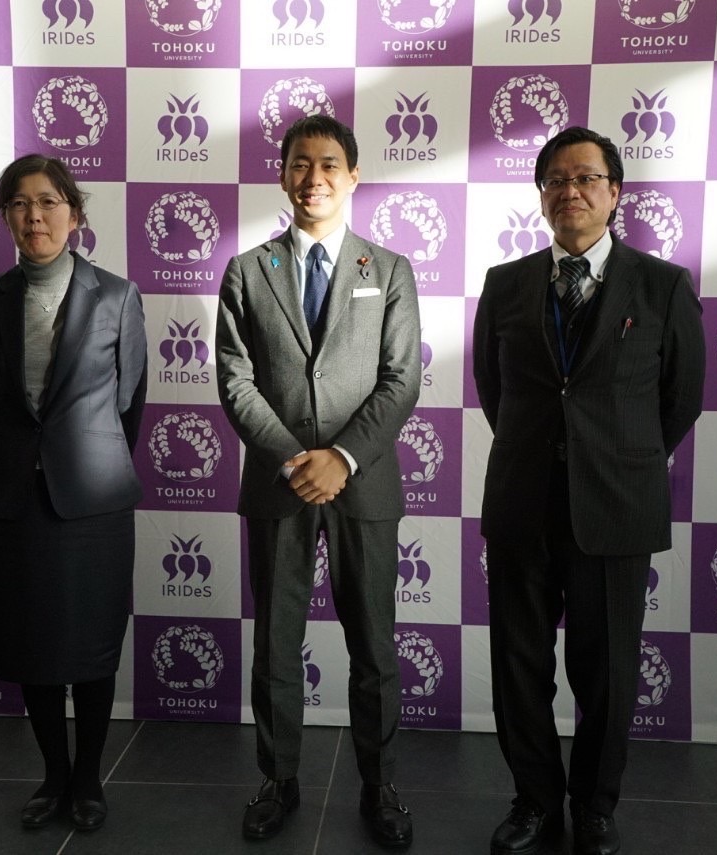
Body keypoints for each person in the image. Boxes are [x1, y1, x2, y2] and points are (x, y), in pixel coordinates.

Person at [472, 126, 705, 855]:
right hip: (523, 502)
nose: (569, 191)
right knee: (519, 667)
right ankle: (534, 801)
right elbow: (493, 387)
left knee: (607, 673)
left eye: (585, 178)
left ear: (614, 193)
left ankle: (595, 808)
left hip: (616, 505)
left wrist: (620, 458)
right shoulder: (506, 284)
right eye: (555, 180)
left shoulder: (662, 284)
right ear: (541, 195)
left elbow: (682, 398)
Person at [215, 115, 421, 849]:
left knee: (375, 646)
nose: (314, 178)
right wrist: (292, 457)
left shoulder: (388, 269)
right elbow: (235, 380)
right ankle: (279, 780)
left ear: (353, 176)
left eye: (329, 164)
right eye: (300, 163)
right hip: (280, 486)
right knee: (277, 644)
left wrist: (342, 458)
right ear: (283, 175)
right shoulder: (248, 270)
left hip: (364, 485)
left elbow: (401, 380)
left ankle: (379, 784)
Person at [0, 154, 147, 833]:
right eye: (19, 204)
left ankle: (89, 776)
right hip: (14, 499)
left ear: (74, 213)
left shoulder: (117, 296)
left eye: (47, 202)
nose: (34, 216)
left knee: (92, 645)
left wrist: (85, 457)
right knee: (32, 645)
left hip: (93, 500)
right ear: (6, 217)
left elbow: (130, 403)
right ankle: (53, 775)